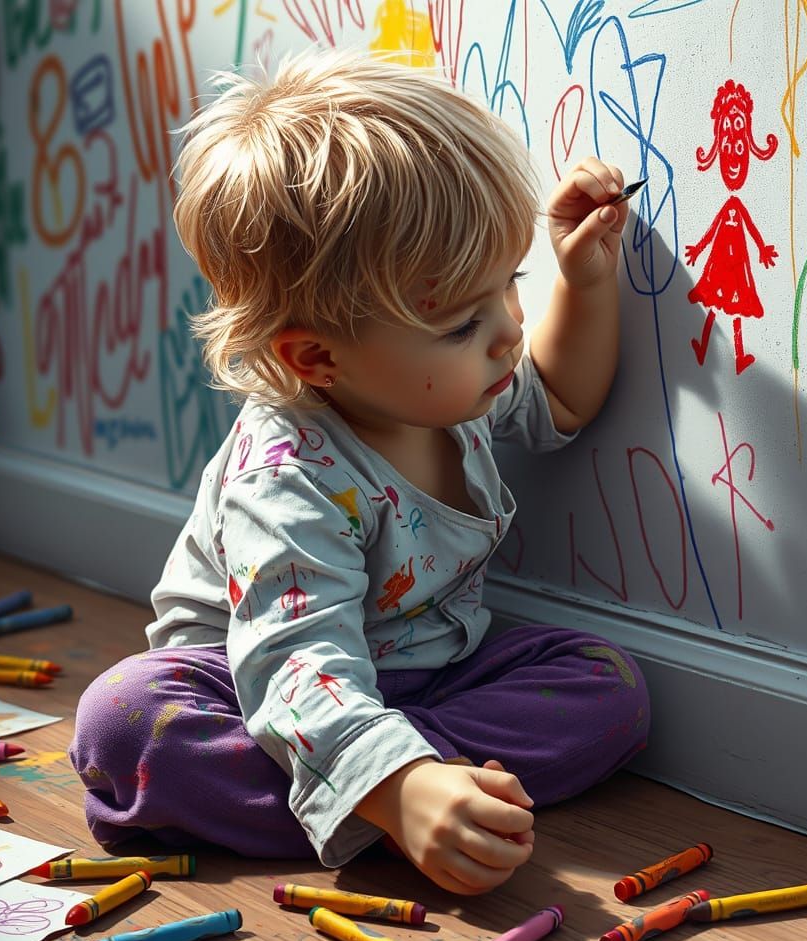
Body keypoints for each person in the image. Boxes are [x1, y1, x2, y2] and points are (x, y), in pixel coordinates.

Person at [69, 49, 650, 896]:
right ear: (317, 357)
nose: (507, 332)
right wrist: (405, 784)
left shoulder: (452, 389)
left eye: (508, 284)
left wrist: (583, 280)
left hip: (426, 674)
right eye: (461, 321)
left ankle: (390, 791)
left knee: (614, 691)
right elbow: (295, 661)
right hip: (255, 683)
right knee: (124, 727)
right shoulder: (288, 477)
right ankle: (399, 797)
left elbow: (559, 396)